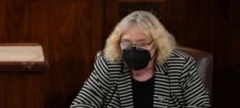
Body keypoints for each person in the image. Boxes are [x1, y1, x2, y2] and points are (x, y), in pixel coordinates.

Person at [70, 10, 210, 107]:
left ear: (157, 43)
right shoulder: (109, 65)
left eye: (142, 43)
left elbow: (200, 104)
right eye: (126, 43)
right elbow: (81, 104)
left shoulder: (180, 65)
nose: (134, 49)